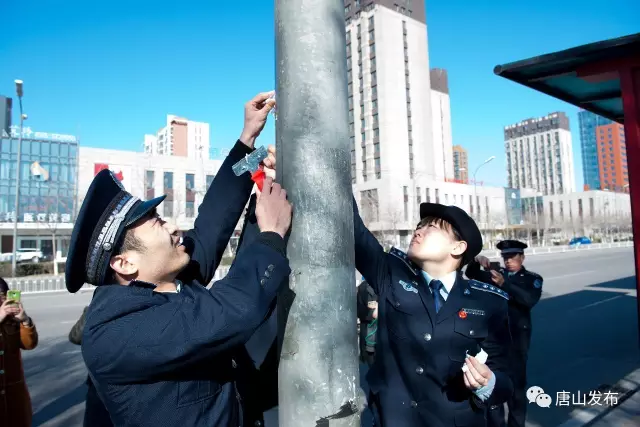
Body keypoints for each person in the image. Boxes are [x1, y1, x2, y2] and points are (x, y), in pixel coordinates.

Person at [66, 92, 294, 427]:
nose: (174, 227)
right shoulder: (118, 330)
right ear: (124, 263)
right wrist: (271, 234)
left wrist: (250, 147)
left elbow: (211, 225)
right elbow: (231, 311)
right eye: (158, 223)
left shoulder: (166, 282)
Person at [353, 200, 513, 426]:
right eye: (419, 226)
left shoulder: (489, 302)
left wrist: (488, 383)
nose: (419, 231)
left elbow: (506, 379)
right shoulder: (391, 274)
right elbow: (355, 230)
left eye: (431, 227)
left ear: (457, 247)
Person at [465, 240, 543, 427]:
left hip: (517, 342)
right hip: (493, 342)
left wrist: (505, 283)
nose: (508, 261)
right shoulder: (494, 275)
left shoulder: (531, 278)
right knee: (494, 388)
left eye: (512, 257)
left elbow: (528, 300)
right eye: (505, 257)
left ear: (522, 257)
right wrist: (477, 262)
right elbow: (471, 274)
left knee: (516, 391)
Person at [0, 277, 38, 427]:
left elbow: (29, 344)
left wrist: (25, 320)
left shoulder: (12, 320)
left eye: (3, 294)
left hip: (15, 398)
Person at [68, 306, 114, 427]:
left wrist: (95, 306)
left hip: (103, 386)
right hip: (103, 388)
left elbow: (75, 336)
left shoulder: (101, 305)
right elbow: (75, 336)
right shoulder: (157, 301)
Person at [357, 279, 378, 366]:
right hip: (369, 337)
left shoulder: (390, 284)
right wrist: (372, 312)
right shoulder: (364, 287)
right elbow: (359, 311)